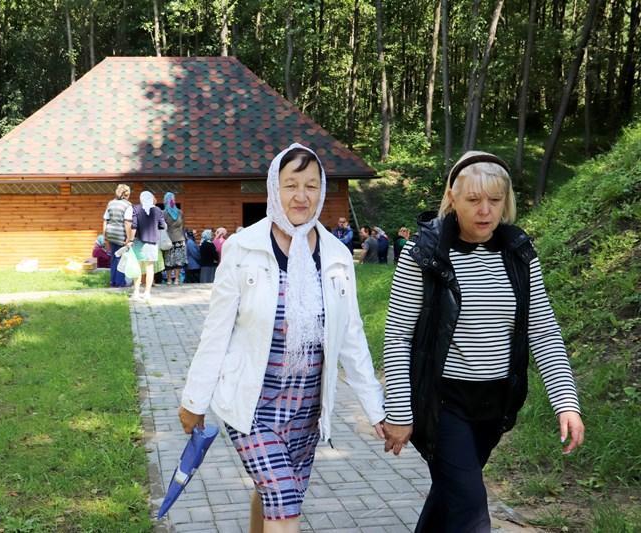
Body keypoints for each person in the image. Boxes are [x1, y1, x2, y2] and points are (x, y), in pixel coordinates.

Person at [178, 144, 386, 533]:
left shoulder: (336, 255)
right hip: (252, 406)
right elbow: (216, 332)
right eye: (291, 185)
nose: (301, 196)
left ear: (322, 191)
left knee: (273, 496)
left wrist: (376, 408)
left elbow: (351, 336)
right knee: (285, 507)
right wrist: (194, 400)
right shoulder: (244, 248)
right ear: (275, 188)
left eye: (311, 185)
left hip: (306, 412)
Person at [381, 151, 585, 533]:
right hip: (442, 402)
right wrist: (399, 412)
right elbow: (398, 336)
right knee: (471, 510)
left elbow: (543, 331)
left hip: (495, 403)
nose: (485, 210)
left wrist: (566, 403)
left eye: (495, 199)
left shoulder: (520, 254)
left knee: (450, 498)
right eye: (474, 199)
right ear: (452, 198)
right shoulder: (423, 255)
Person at [126, 191, 166, 302]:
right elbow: (162, 225)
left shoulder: (136, 209)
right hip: (152, 243)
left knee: (138, 268)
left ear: (141, 199)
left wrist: (130, 240)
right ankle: (147, 293)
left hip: (138, 242)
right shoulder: (158, 210)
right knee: (150, 268)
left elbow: (134, 226)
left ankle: (136, 292)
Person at [103, 184, 133, 287]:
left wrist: (105, 236)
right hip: (121, 234)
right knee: (121, 258)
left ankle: (113, 281)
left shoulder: (110, 203)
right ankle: (120, 282)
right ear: (127, 194)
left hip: (110, 233)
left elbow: (105, 220)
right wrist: (129, 238)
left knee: (114, 257)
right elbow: (127, 222)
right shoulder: (128, 205)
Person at [162, 192, 187, 285]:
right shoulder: (180, 212)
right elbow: (183, 226)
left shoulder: (164, 213)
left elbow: (162, 226)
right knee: (178, 260)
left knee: (168, 260)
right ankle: (176, 279)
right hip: (180, 238)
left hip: (168, 240)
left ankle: (169, 280)